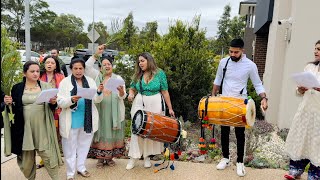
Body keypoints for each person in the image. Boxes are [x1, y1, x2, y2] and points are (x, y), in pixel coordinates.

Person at [211, 38, 268, 177]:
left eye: (236, 52)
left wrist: (264, 98)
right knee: (224, 131)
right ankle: (225, 158)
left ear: (242, 51)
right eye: (230, 51)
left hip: (240, 103)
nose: (232, 54)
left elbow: (257, 84)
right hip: (224, 101)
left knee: (239, 134)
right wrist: (213, 96)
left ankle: (240, 163)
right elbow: (218, 80)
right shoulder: (223, 62)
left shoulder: (250, 65)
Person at [3, 61, 63, 180]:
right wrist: (8, 103)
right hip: (25, 128)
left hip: (43, 127)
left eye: (37, 71)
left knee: (48, 156)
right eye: (32, 71)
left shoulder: (45, 86)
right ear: (24, 73)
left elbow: (53, 106)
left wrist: (53, 103)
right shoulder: (17, 88)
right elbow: (13, 109)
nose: (36, 74)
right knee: (27, 161)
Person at [126, 52, 175, 170]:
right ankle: (133, 158)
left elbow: (165, 91)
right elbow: (132, 88)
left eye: (142, 60)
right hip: (139, 103)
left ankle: (147, 157)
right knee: (136, 130)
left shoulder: (159, 73)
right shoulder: (138, 74)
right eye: (139, 61)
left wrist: (170, 108)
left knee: (150, 131)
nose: (140, 63)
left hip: (155, 103)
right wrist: (131, 94)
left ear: (149, 60)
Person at [57, 58, 103, 180]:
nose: (78, 71)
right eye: (75, 68)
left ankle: (81, 167)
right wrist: (71, 100)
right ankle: (70, 173)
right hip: (71, 118)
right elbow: (60, 101)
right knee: (70, 147)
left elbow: (97, 100)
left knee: (84, 144)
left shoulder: (90, 81)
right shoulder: (65, 82)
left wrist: (98, 92)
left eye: (81, 68)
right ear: (71, 69)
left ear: (84, 69)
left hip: (87, 118)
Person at [85, 45, 127, 168]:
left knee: (112, 134)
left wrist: (120, 92)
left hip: (114, 113)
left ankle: (109, 158)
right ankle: (99, 159)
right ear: (100, 67)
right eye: (104, 64)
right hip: (100, 111)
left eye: (109, 64)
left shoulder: (118, 78)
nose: (107, 66)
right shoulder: (97, 76)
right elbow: (87, 67)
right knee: (100, 132)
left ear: (112, 66)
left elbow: (123, 96)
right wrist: (96, 54)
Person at [284, 40, 320, 180]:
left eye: (319, 49)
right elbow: (298, 91)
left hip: (319, 113)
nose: (316, 51)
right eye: (315, 48)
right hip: (305, 110)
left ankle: (315, 174)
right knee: (301, 139)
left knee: (316, 142)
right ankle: (296, 170)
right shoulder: (309, 67)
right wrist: (300, 88)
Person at [37, 55, 65, 168]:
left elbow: (64, 92)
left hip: (56, 111)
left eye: (52, 63)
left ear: (56, 65)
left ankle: (55, 157)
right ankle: (44, 159)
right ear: (44, 64)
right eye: (47, 62)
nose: (49, 64)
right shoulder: (39, 76)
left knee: (55, 134)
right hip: (42, 110)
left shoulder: (60, 77)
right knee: (44, 134)